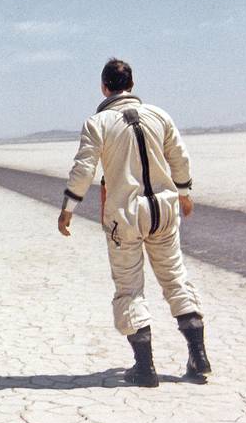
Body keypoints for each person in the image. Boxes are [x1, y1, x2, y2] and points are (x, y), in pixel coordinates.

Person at [58, 58, 211, 387]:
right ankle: (198, 356)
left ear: (104, 86)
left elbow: (84, 168)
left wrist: (69, 207)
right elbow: (179, 158)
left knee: (129, 288)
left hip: (125, 216)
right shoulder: (160, 115)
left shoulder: (98, 123)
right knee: (175, 279)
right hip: (165, 210)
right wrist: (184, 193)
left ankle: (145, 369)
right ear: (132, 84)